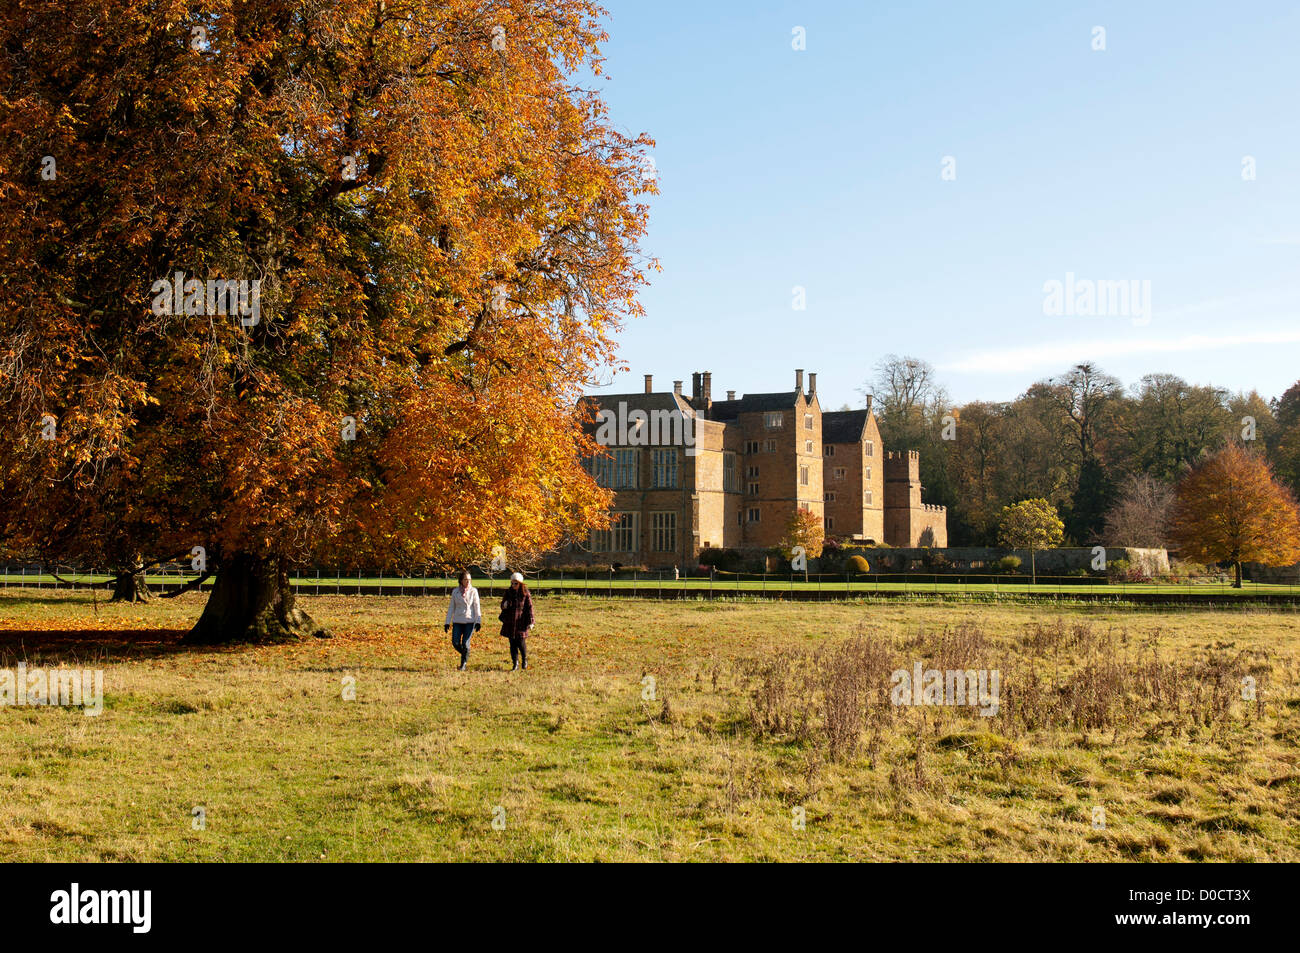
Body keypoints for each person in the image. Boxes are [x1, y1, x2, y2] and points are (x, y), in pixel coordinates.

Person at [444, 570, 481, 671]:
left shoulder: (474, 591)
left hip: (469, 620)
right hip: (457, 621)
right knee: (455, 642)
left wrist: (478, 621)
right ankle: (466, 653)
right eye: (465, 580)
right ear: (461, 580)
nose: (468, 582)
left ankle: (463, 663)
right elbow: (451, 607)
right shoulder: (455, 592)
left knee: (465, 643)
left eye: (469, 580)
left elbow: (477, 607)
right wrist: (447, 622)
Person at [499, 572, 534, 671]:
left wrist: (531, 621)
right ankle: (515, 663)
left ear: (520, 583)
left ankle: (524, 659)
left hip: (521, 622)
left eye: (516, 583)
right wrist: (504, 605)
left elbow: (530, 608)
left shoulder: (525, 593)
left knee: (521, 643)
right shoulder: (508, 592)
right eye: (512, 583)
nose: (513, 585)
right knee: (512, 644)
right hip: (510, 622)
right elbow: (502, 605)